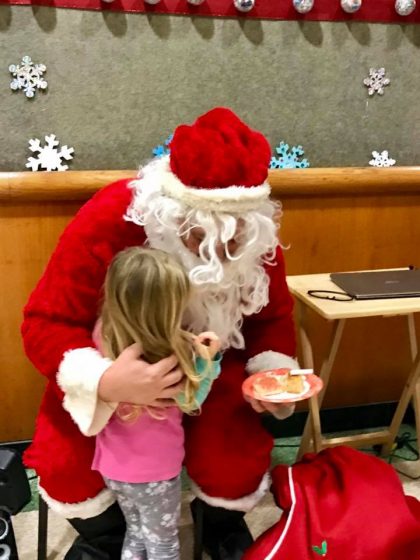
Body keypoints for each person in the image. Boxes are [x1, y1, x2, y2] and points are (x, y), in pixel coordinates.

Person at [22, 106, 299, 560]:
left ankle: (220, 526)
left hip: (212, 365)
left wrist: (272, 372)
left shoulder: (255, 240)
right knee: (65, 465)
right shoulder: (113, 217)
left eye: (233, 241)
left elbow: (272, 320)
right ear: (171, 215)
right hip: (114, 360)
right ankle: (107, 537)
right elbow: (46, 322)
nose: (218, 254)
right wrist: (104, 381)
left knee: (233, 460)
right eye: (201, 238)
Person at [91, 246, 221, 560]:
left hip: (113, 468)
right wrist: (209, 362)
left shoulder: (102, 335)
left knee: (136, 533)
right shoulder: (172, 353)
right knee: (163, 544)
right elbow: (191, 401)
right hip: (156, 472)